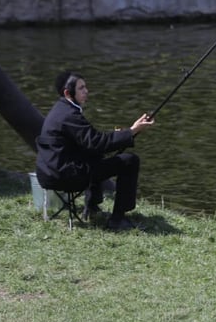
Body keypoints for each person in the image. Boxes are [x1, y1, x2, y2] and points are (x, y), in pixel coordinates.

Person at [35, 70, 155, 230]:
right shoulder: (70, 115)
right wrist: (132, 131)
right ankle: (118, 219)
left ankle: (91, 208)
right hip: (65, 176)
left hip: (48, 174)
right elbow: (97, 141)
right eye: (81, 88)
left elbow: (91, 142)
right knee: (130, 161)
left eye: (85, 87)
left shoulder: (59, 110)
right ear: (67, 92)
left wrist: (124, 134)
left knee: (95, 154)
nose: (86, 91)